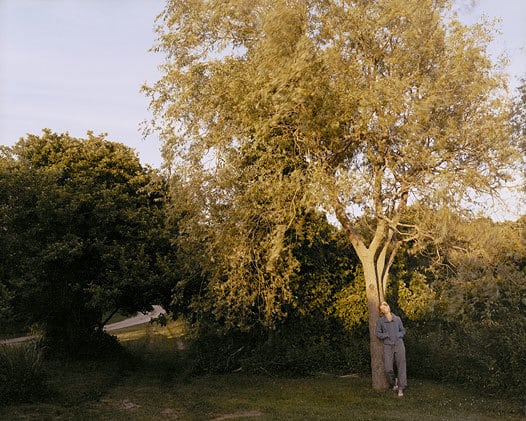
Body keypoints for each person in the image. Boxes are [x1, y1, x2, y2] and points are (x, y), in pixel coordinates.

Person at [375, 301, 407, 397]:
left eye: (386, 306)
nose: (385, 308)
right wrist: (386, 335)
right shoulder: (381, 321)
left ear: (389, 306)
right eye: (383, 308)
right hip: (388, 346)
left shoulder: (397, 319)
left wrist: (399, 335)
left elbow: (403, 330)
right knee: (388, 368)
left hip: (399, 344)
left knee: (401, 366)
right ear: (382, 311)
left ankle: (401, 388)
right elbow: (378, 333)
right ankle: (394, 382)